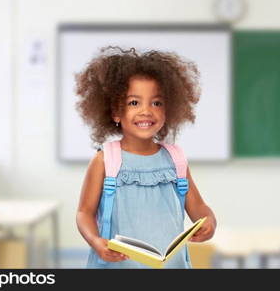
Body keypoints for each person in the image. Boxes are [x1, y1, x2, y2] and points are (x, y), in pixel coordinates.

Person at [75, 46, 217, 268]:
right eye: (134, 102)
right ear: (115, 112)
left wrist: (208, 221)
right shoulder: (105, 161)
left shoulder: (176, 159)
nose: (146, 111)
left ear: (167, 109)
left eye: (156, 103)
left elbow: (199, 207)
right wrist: (95, 241)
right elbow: (85, 212)